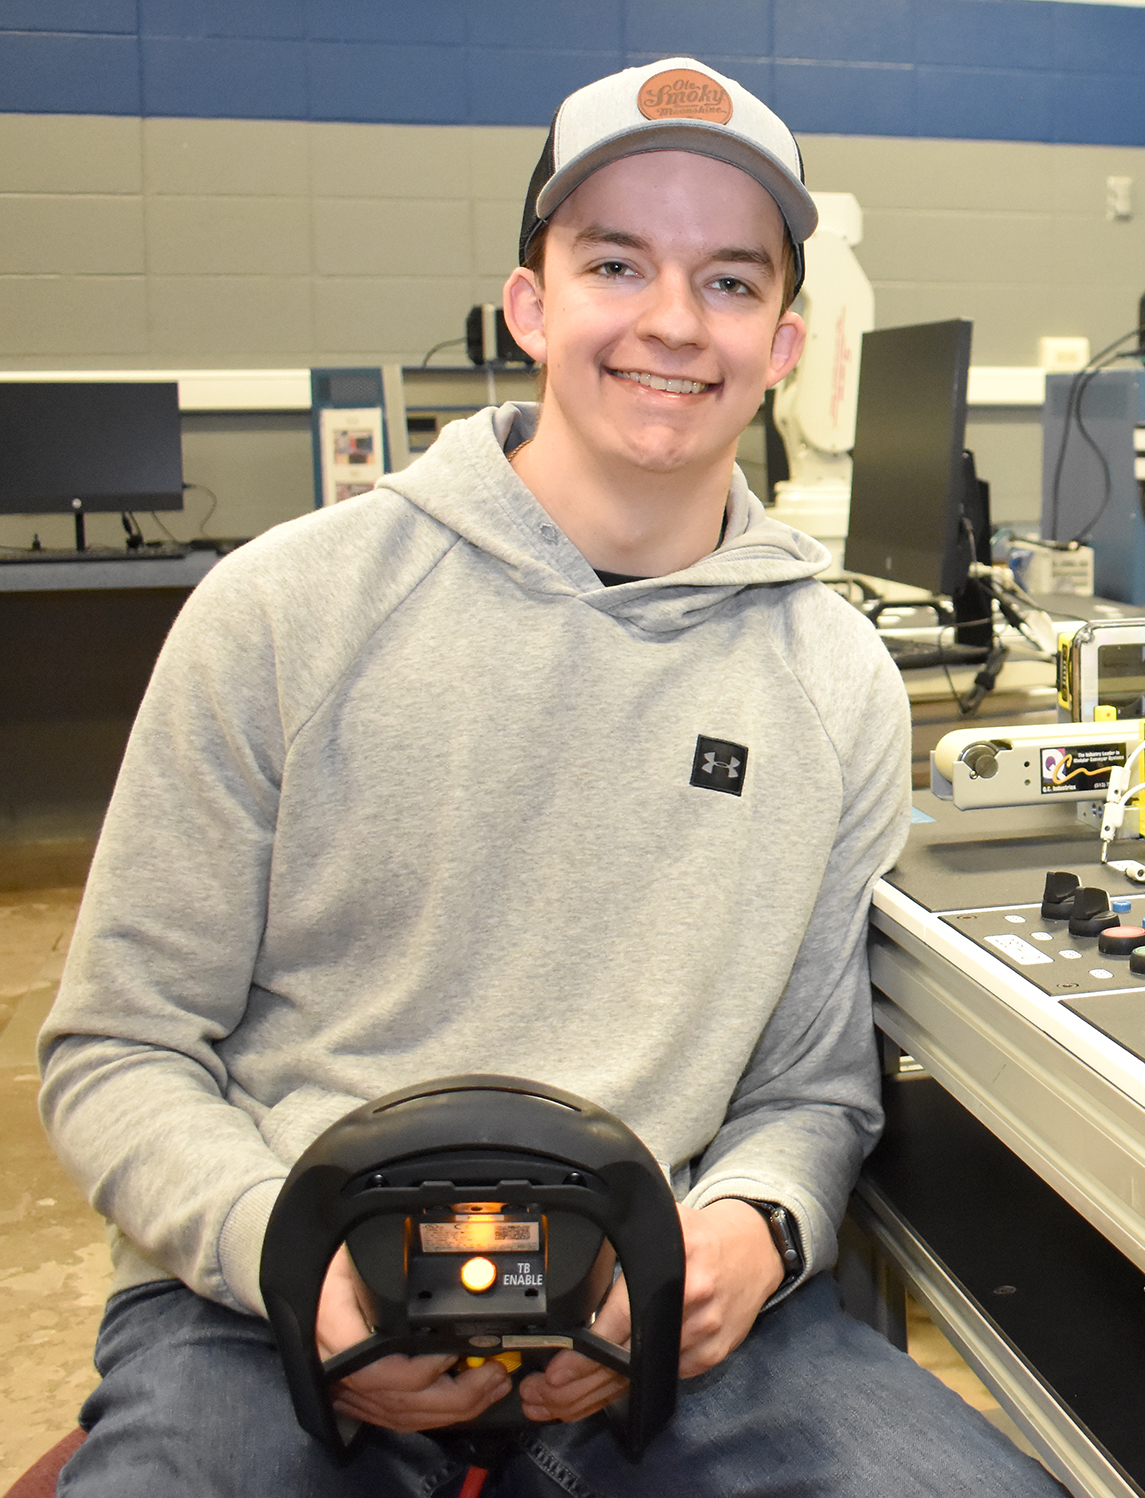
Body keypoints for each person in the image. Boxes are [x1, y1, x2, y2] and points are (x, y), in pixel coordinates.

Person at [39, 57, 1061, 1498]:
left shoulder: (834, 678)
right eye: (615, 264)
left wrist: (751, 1231)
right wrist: (289, 1258)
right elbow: (120, 1048)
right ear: (529, 306)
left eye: (728, 281)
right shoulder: (282, 612)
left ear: (783, 341)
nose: (671, 321)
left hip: (655, 1315)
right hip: (272, 1300)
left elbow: (812, 1088)